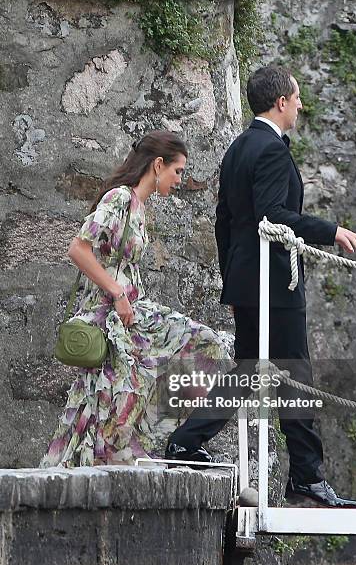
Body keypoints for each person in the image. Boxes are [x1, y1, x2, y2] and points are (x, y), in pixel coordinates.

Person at [165, 65, 356, 508]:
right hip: (274, 280)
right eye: (296, 98)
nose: (300, 105)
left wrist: (233, 283)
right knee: (295, 374)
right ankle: (308, 477)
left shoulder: (238, 148)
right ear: (280, 103)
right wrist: (331, 230)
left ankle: (185, 442)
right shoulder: (271, 151)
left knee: (250, 371)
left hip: (249, 279)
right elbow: (273, 216)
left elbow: (225, 223)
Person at [40, 131, 232, 468]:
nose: (180, 179)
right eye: (178, 171)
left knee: (201, 350)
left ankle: (166, 445)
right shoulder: (120, 199)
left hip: (130, 314)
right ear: (158, 165)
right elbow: (78, 249)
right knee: (114, 398)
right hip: (109, 314)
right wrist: (117, 294)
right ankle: (140, 455)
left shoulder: (139, 207)